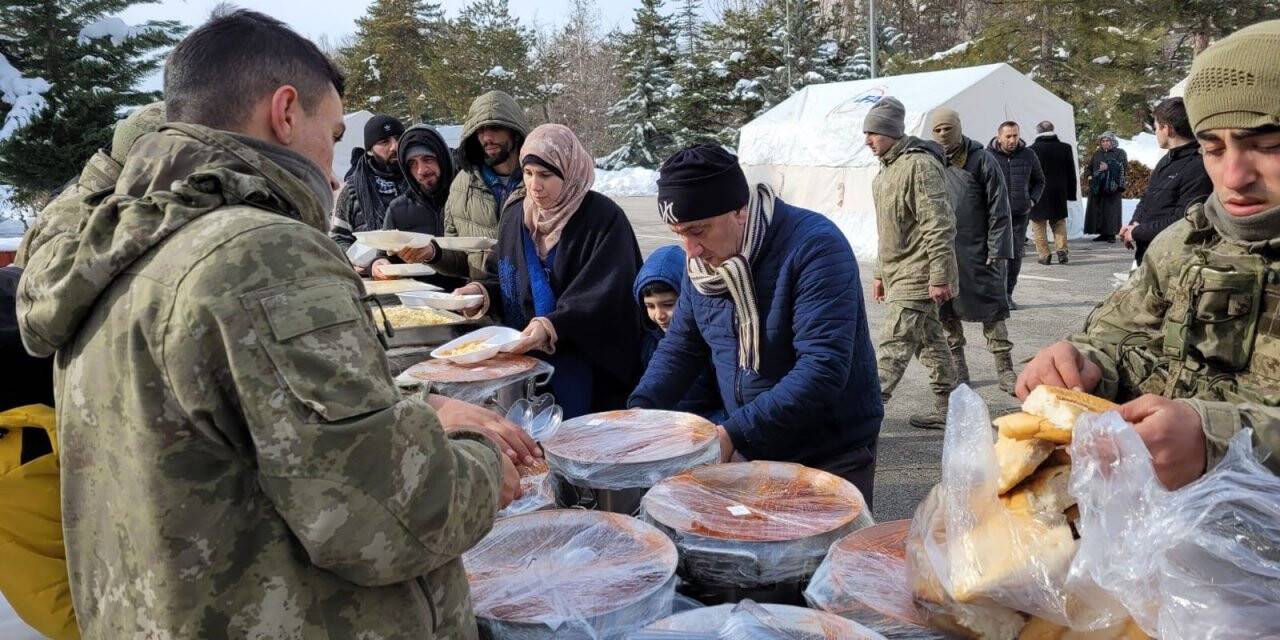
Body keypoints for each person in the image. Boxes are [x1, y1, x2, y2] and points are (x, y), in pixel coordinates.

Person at [15, 10, 530, 638]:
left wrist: (409, 404)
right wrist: (479, 465)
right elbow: (386, 518)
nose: (337, 170)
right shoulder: (260, 255)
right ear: (286, 112)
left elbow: (234, 416)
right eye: (333, 134)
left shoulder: (110, 246)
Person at [1016, 20, 1280, 490]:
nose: (1234, 176)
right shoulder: (1185, 244)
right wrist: (1085, 365)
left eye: (1268, 147)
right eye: (1212, 149)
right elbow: (1120, 336)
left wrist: (1217, 440)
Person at [631, 143, 883, 502]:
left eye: (699, 230)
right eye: (679, 233)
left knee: (817, 554)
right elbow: (683, 346)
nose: (690, 250)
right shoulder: (703, 267)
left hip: (830, 449)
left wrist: (734, 433)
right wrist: (641, 410)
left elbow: (823, 367)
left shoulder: (815, 247)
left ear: (740, 211)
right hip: (757, 441)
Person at [457, 124, 643, 419]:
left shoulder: (603, 218)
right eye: (528, 174)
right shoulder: (517, 215)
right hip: (527, 363)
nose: (534, 186)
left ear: (570, 173)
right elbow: (502, 274)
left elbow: (610, 293)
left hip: (590, 367)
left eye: (545, 175)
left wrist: (553, 325)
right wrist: (480, 293)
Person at [865, 97, 958, 430]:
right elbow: (889, 230)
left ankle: (863, 418)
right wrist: (880, 273)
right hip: (899, 273)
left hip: (919, 275)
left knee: (893, 345)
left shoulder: (918, 165)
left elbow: (939, 223)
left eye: (873, 132)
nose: (868, 140)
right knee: (930, 343)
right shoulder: (886, 171)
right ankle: (951, 409)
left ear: (890, 131)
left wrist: (940, 275)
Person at [927, 109, 1018, 395]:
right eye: (937, 130)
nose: (943, 134)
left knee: (992, 311)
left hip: (979, 250)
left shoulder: (982, 160)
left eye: (948, 128)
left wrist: (998, 246)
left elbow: (998, 207)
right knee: (947, 314)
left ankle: (1005, 369)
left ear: (959, 127)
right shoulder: (929, 161)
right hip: (942, 252)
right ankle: (959, 370)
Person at [416, 91, 530, 280]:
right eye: (480, 130)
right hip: (484, 302)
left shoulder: (539, 180)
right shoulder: (462, 184)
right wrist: (432, 254)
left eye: (494, 128)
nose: (487, 138)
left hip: (537, 304)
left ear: (515, 132)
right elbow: (460, 260)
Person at [634, 245, 725, 422]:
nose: (659, 315)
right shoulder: (647, 341)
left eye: (668, 305)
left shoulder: (712, 342)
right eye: (650, 306)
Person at [1119, 98, 1213, 264]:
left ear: (1167, 129)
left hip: (1173, 261)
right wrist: (1133, 225)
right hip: (1148, 255)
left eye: (1156, 128)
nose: (1156, 133)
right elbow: (1147, 199)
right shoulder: (1166, 160)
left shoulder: (1199, 166)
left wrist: (1137, 231)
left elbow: (1184, 220)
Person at [369, 124, 464, 288]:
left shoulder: (468, 198)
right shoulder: (398, 209)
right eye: (412, 163)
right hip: (421, 303)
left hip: (471, 298)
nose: (421, 170)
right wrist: (380, 265)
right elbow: (385, 255)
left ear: (443, 158)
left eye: (428, 159)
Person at [330, 113, 407, 258]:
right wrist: (357, 261)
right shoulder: (353, 190)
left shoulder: (421, 183)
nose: (394, 147)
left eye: (398, 138)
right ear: (370, 150)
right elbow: (338, 238)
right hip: (375, 277)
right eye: (384, 142)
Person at [987, 121, 1045, 307]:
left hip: (1020, 214)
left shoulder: (1029, 155)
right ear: (999, 137)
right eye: (1008, 136)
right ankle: (993, 294)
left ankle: (1007, 294)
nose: (1012, 140)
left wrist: (1032, 200)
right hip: (994, 215)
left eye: (1015, 135)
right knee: (994, 255)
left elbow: (1040, 181)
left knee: (1015, 255)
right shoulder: (987, 156)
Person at [1029, 121, 1078, 265]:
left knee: (1038, 224)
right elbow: (1071, 172)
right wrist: (1071, 193)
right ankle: (1062, 250)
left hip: (1038, 191)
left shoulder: (1031, 150)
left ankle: (1044, 255)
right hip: (1059, 191)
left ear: (1038, 131)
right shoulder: (1065, 148)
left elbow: (1028, 174)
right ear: (1052, 130)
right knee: (1059, 221)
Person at [1083, 131, 1128, 243]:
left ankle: (1111, 234)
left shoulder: (1120, 152)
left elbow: (1123, 166)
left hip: (1112, 187)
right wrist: (1088, 175)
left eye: (1107, 140)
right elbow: (1089, 167)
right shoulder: (1097, 153)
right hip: (1097, 186)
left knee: (1110, 211)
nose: (1105, 143)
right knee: (1098, 210)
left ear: (1112, 141)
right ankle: (1102, 233)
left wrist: (1108, 166)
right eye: (1103, 141)